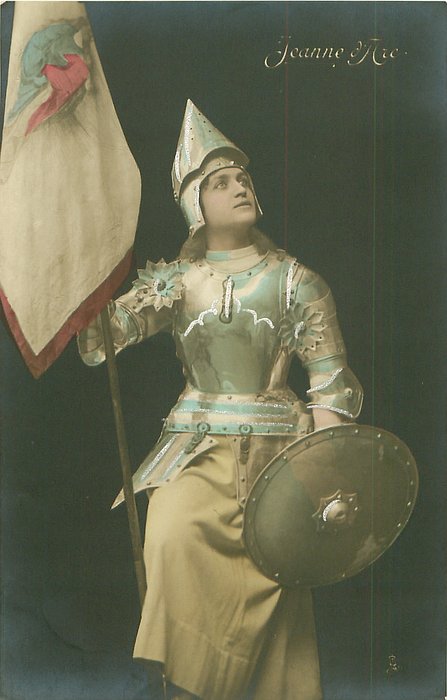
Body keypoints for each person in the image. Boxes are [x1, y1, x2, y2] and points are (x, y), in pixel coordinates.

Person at [78, 100, 363, 700]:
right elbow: (102, 339)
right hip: (197, 451)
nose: (239, 187)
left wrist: (321, 472)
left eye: (243, 178)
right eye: (220, 182)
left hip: (280, 459)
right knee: (170, 535)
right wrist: (85, 286)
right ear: (195, 206)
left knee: (279, 578)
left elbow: (330, 382)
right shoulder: (175, 282)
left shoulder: (298, 281)